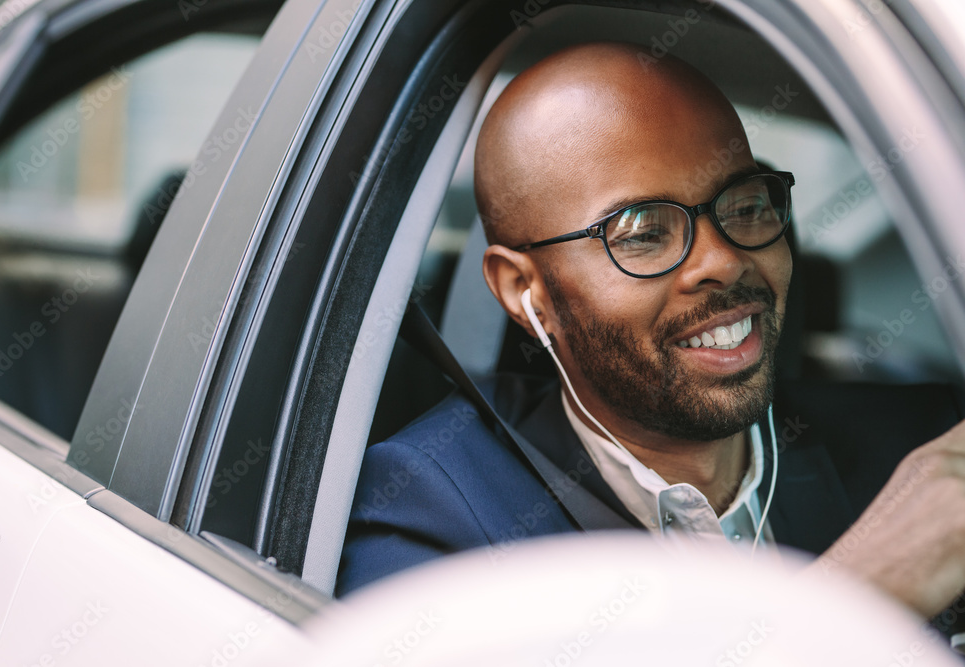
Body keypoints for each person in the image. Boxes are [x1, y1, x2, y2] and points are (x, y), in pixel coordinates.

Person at [336, 43, 965, 629]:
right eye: (640, 231)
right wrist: (856, 600)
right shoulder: (428, 527)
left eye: (744, 205)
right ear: (524, 292)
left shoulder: (927, 450)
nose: (721, 261)